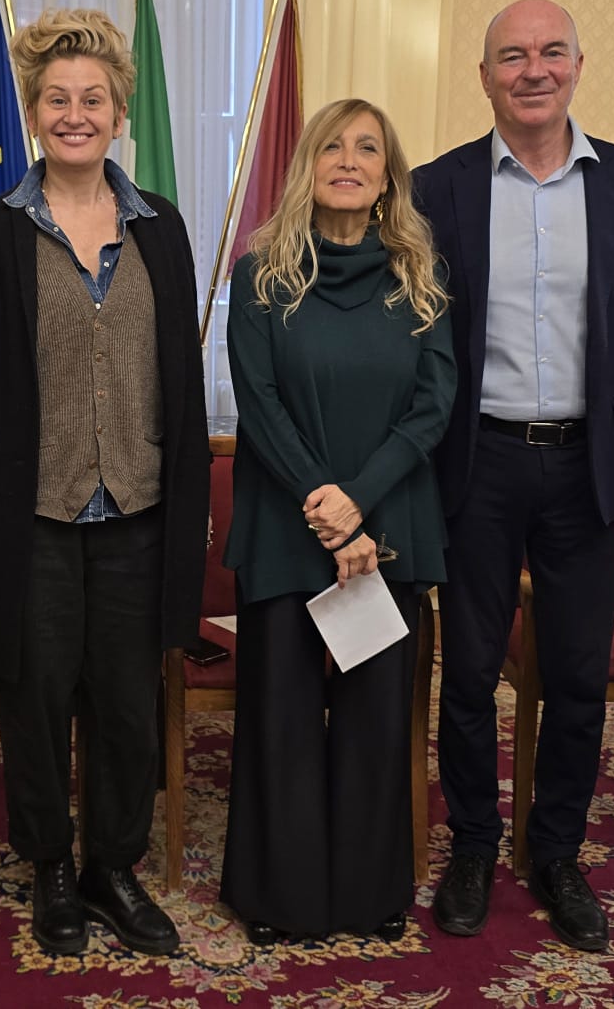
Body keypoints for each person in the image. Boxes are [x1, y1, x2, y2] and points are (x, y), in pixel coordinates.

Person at [414, 0, 614, 951]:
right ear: (484, 76)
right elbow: (415, 344)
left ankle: (558, 853)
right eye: (511, 56)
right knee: (469, 674)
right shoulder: (433, 188)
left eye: (551, 52)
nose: (533, 70)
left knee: (576, 676)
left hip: (590, 473)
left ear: (579, 63)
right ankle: (475, 846)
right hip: (476, 465)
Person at [0, 8, 208, 959]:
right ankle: (52, 867)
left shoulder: (163, 229)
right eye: (57, 99)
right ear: (32, 112)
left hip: (138, 511)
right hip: (35, 515)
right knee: (34, 699)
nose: (75, 114)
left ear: (118, 112)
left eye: (92, 98)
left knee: (125, 704)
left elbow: (178, 379)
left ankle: (112, 866)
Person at [219, 99, 455, 945]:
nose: (349, 160)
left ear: (388, 174)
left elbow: (435, 407)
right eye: (332, 146)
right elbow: (261, 403)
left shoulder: (420, 278)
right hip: (288, 526)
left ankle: (367, 891)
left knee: (374, 715)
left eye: (368, 149)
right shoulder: (260, 273)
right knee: (280, 714)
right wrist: (328, 504)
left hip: (387, 527)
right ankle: (279, 896)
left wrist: (361, 502)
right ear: (306, 165)